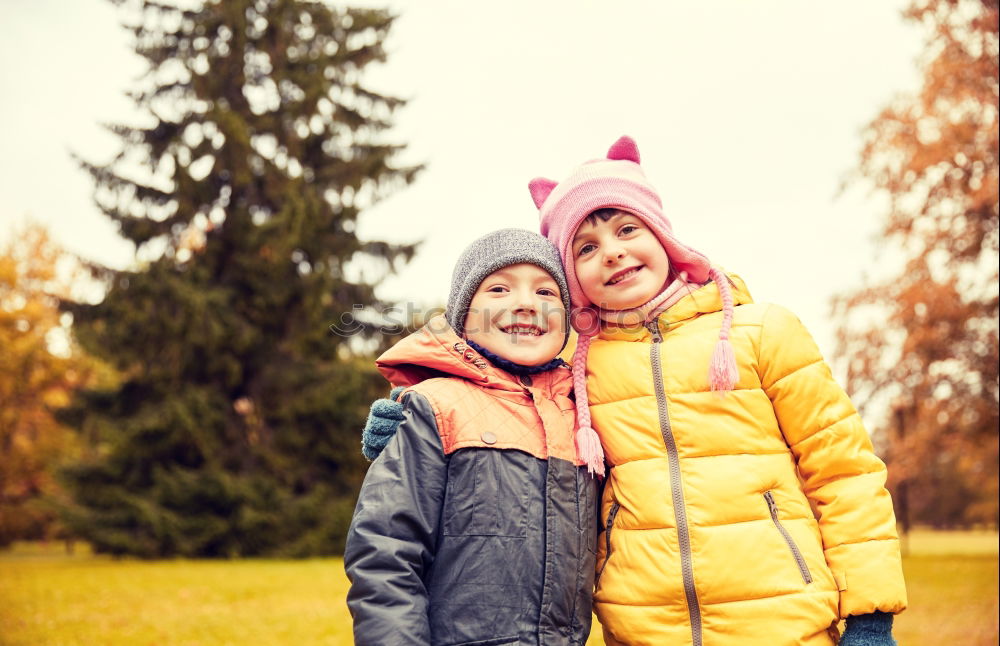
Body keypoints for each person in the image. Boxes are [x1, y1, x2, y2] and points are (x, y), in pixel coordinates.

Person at [363, 137, 908, 646]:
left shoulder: (760, 331)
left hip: (781, 621)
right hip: (644, 629)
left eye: (627, 230)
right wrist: (409, 418)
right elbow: (505, 408)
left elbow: (844, 471)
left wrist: (870, 613)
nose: (613, 253)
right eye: (585, 247)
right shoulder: (579, 371)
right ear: (576, 279)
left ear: (662, 235)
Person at [344, 229, 598, 646]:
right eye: (499, 288)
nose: (526, 303)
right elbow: (386, 553)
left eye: (546, 292)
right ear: (464, 317)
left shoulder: (584, 418)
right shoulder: (434, 407)